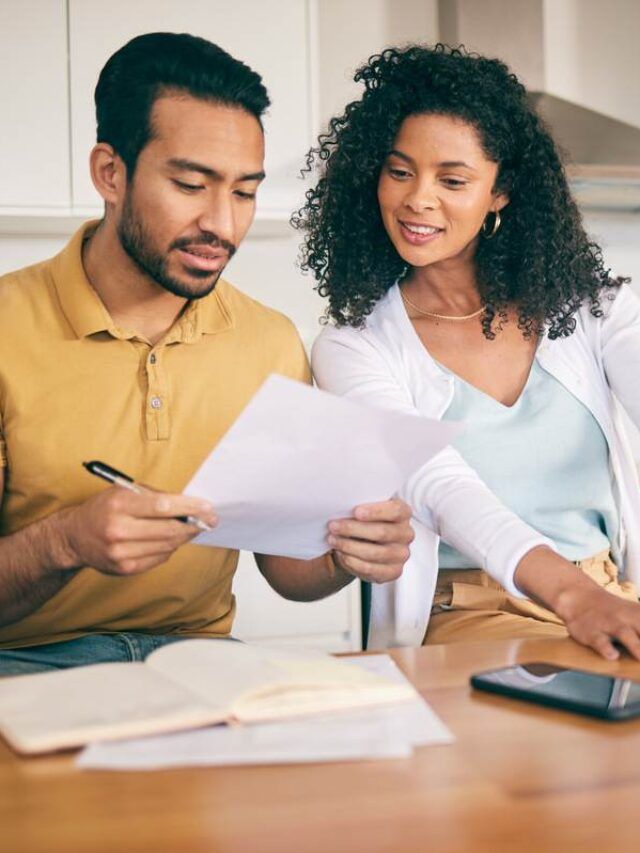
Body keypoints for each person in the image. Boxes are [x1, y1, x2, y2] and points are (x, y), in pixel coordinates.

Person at [0, 33, 414, 675]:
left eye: (244, 192)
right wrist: (65, 541)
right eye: (191, 184)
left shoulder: (268, 342)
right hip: (23, 662)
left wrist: (345, 555)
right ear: (110, 173)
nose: (223, 224)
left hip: (200, 660)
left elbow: (286, 571)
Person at [298, 43, 640, 660]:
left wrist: (594, 597)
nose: (417, 200)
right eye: (400, 171)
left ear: (500, 192)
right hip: (469, 616)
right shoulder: (354, 347)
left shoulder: (596, 309)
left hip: (608, 595)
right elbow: (442, 488)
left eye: (452, 180)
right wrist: (572, 598)